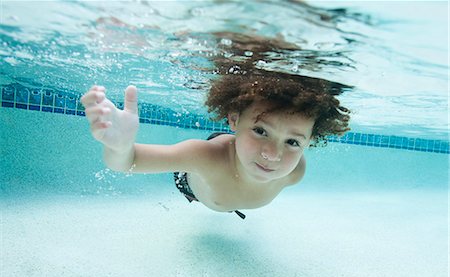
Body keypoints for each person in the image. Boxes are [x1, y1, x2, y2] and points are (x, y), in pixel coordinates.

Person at [81, 69, 351, 219]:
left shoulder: (295, 172)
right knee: (203, 154)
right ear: (233, 119)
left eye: (292, 142)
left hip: (230, 169)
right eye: (260, 131)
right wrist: (120, 147)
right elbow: (127, 163)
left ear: (310, 142)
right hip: (197, 179)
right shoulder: (203, 157)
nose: (272, 154)